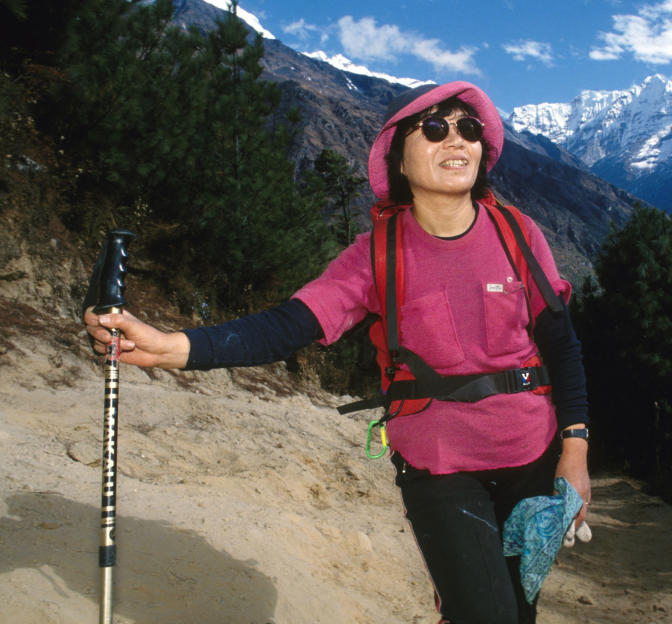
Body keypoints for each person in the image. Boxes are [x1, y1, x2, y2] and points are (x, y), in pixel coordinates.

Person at [84, 81, 590, 624]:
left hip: (532, 458)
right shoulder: (377, 253)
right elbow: (289, 325)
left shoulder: (519, 233)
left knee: (519, 608)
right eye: (436, 128)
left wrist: (575, 452)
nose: (457, 141)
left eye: (468, 129)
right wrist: (172, 348)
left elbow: (561, 346)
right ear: (398, 155)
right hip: (440, 468)